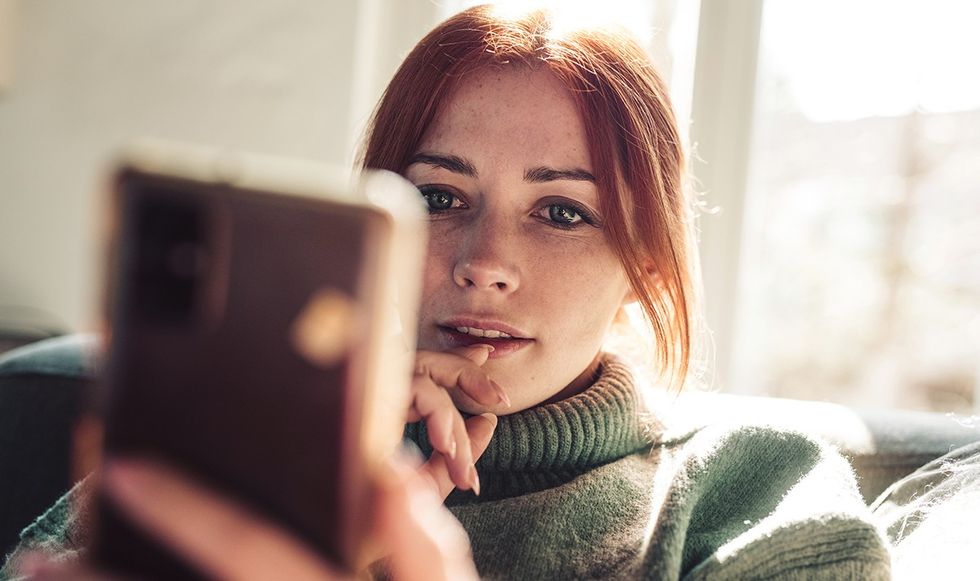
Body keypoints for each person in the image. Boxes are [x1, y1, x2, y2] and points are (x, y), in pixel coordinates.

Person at [2, 4, 892, 580]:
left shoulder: (755, 486)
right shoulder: (249, 446)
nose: (485, 260)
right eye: (439, 197)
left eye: (561, 210)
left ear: (648, 265)